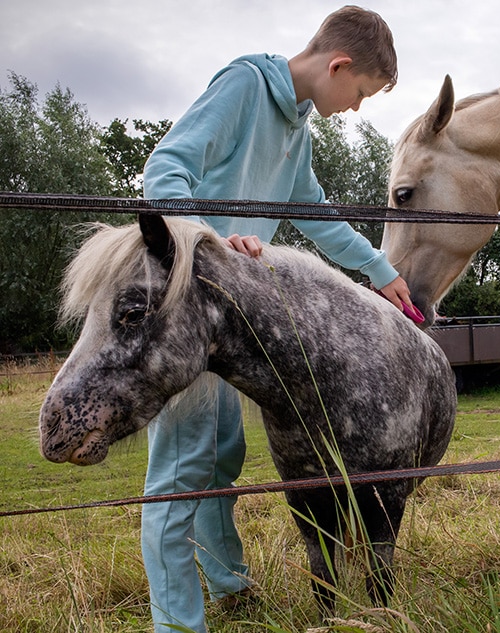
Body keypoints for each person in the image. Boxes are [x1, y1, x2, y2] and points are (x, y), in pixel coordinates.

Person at [139, 7, 409, 632]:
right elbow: (164, 171)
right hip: (188, 307)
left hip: (230, 326)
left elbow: (315, 214)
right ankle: (178, 623)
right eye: (362, 93)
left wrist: (380, 271)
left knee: (222, 457)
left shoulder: (299, 132)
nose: (357, 107)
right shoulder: (243, 86)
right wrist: (212, 240)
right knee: (180, 474)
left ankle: (230, 584)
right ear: (338, 66)